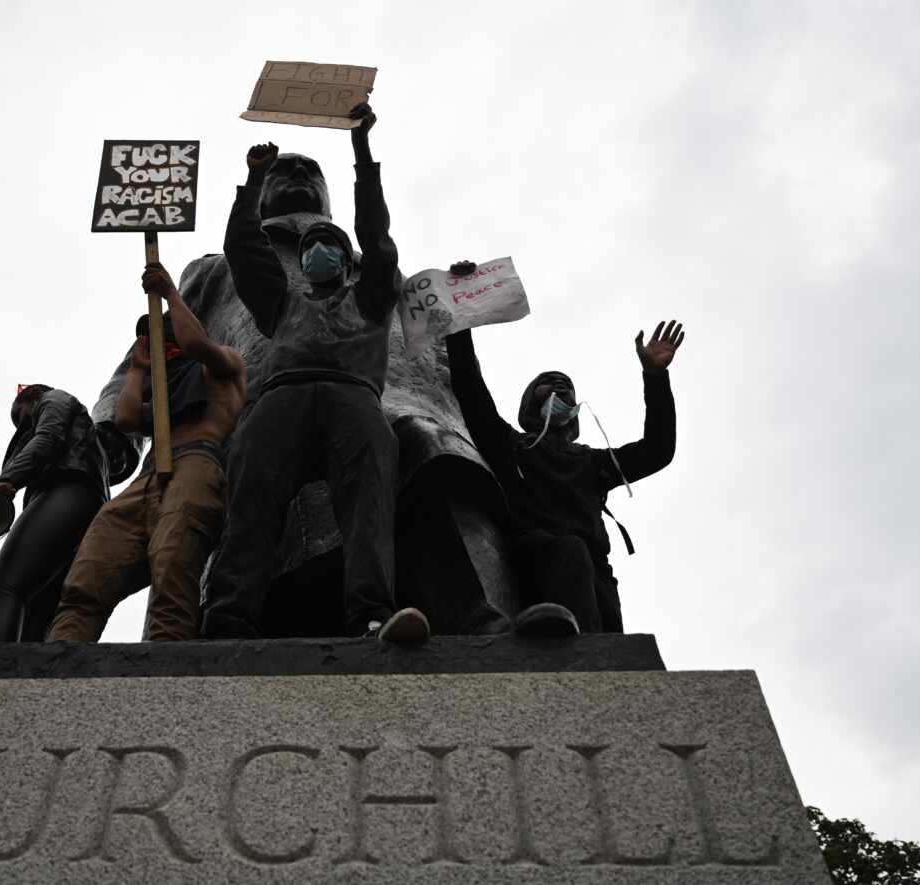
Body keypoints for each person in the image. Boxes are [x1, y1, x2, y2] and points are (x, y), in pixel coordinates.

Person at [201, 103, 429, 642]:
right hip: (280, 401)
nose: (318, 251)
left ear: (343, 255)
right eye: (309, 248)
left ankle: (372, 614)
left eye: (329, 244)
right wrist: (254, 180)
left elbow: (375, 232)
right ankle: (230, 614)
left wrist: (361, 150)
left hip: (354, 402)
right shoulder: (280, 304)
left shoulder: (371, 296)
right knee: (252, 500)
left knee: (369, 504)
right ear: (300, 263)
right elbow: (243, 247)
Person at [445, 285, 683, 634]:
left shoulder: (594, 463)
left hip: (595, 572)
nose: (558, 388)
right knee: (570, 555)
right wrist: (461, 320)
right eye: (548, 385)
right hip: (534, 560)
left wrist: (656, 377)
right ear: (529, 406)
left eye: (565, 386)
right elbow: (469, 386)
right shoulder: (510, 447)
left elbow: (659, 449)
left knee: (616, 651)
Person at [46, 263, 247, 642]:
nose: (163, 342)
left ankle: (165, 665)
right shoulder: (165, 392)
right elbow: (126, 418)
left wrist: (171, 293)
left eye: (165, 332)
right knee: (89, 573)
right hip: (147, 479)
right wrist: (139, 368)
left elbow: (194, 345)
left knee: (174, 569)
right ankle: (63, 656)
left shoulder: (222, 365)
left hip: (195, 464)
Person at [0, 383, 108, 643]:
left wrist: (7, 481)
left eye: (19, 416)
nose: (21, 425)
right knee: (38, 609)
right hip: (79, 499)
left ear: (28, 398)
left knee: (3, 588)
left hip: (67, 489)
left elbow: (48, 437)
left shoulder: (53, 398)